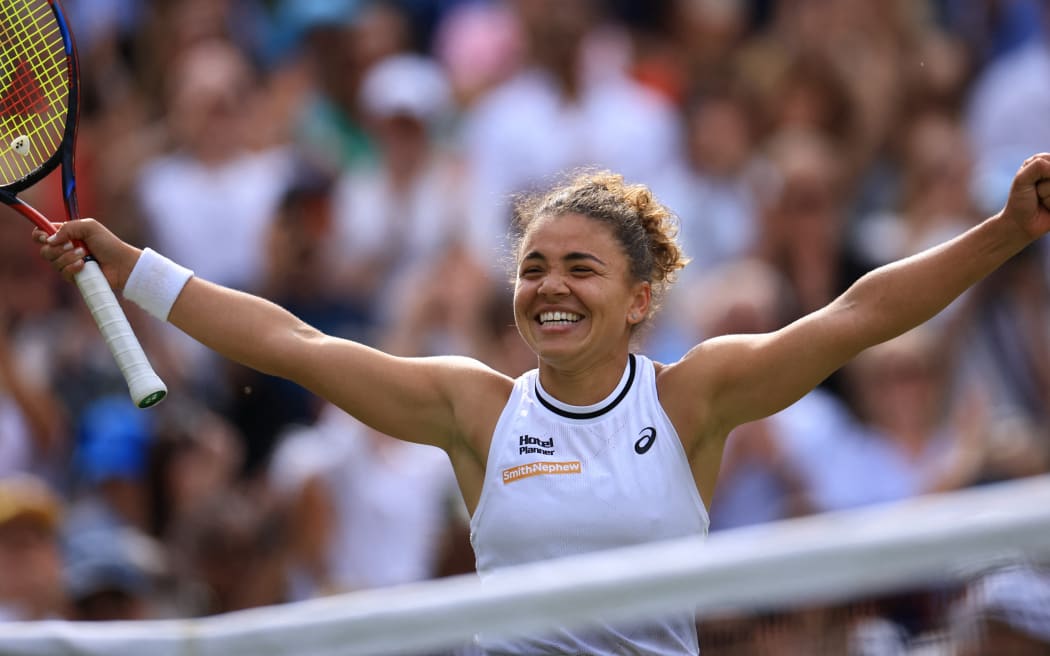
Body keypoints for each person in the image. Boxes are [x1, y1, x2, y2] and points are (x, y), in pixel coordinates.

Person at [33, 154, 1050, 654]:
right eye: (532, 267)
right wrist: (131, 267)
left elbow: (858, 313)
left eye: (581, 267)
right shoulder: (473, 408)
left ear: (641, 296)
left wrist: (1006, 232)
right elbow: (294, 343)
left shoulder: (697, 394)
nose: (550, 286)